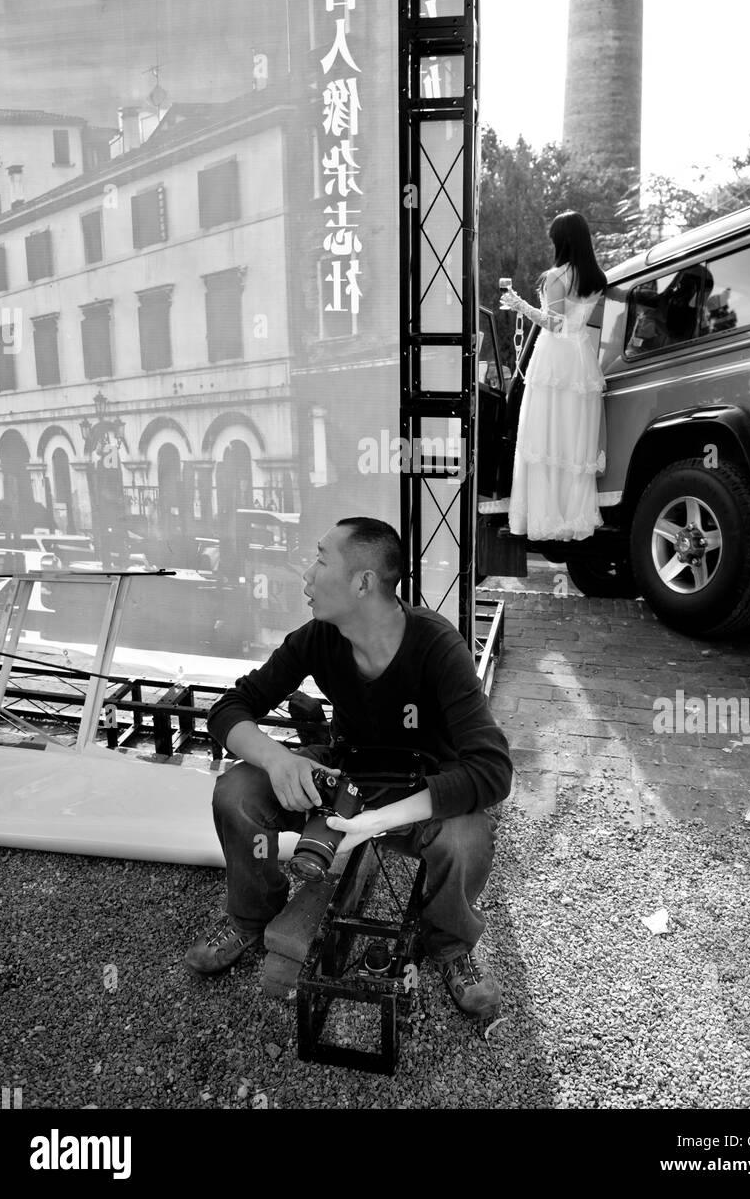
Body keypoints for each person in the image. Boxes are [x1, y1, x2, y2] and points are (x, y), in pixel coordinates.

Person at [186, 516, 513, 1018]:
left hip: (420, 787)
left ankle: (450, 946)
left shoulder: (436, 646)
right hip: (345, 774)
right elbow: (229, 708)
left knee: (466, 840)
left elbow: (492, 770)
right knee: (237, 793)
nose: (306, 576)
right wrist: (278, 760)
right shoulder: (319, 637)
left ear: (363, 583)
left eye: (320, 559)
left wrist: (374, 824)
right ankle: (251, 918)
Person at [499, 210, 609, 541]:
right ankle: (573, 515)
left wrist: (518, 304)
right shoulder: (597, 279)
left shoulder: (556, 277)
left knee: (544, 434)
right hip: (582, 359)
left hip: (554, 359)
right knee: (573, 439)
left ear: (561, 241)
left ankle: (544, 516)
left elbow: (554, 323)